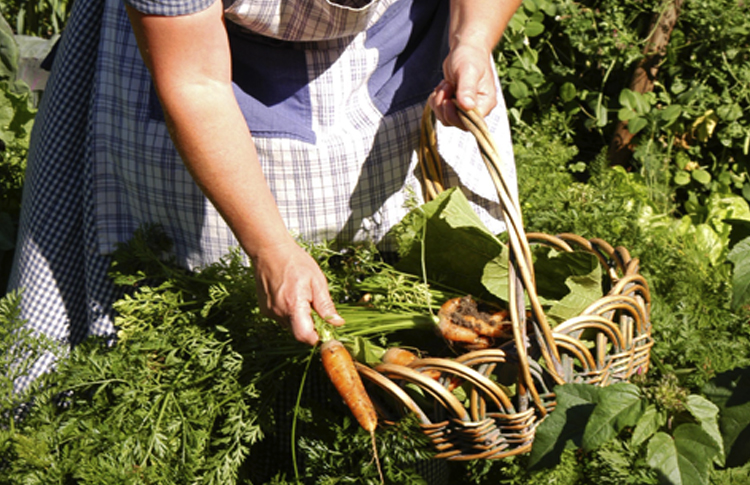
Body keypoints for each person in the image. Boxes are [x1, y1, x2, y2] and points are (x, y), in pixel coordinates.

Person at [8, 0, 522, 390]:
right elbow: (195, 81)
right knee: (218, 330)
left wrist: (472, 40)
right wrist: (270, 247)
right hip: (207, 69)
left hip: (405, 46)